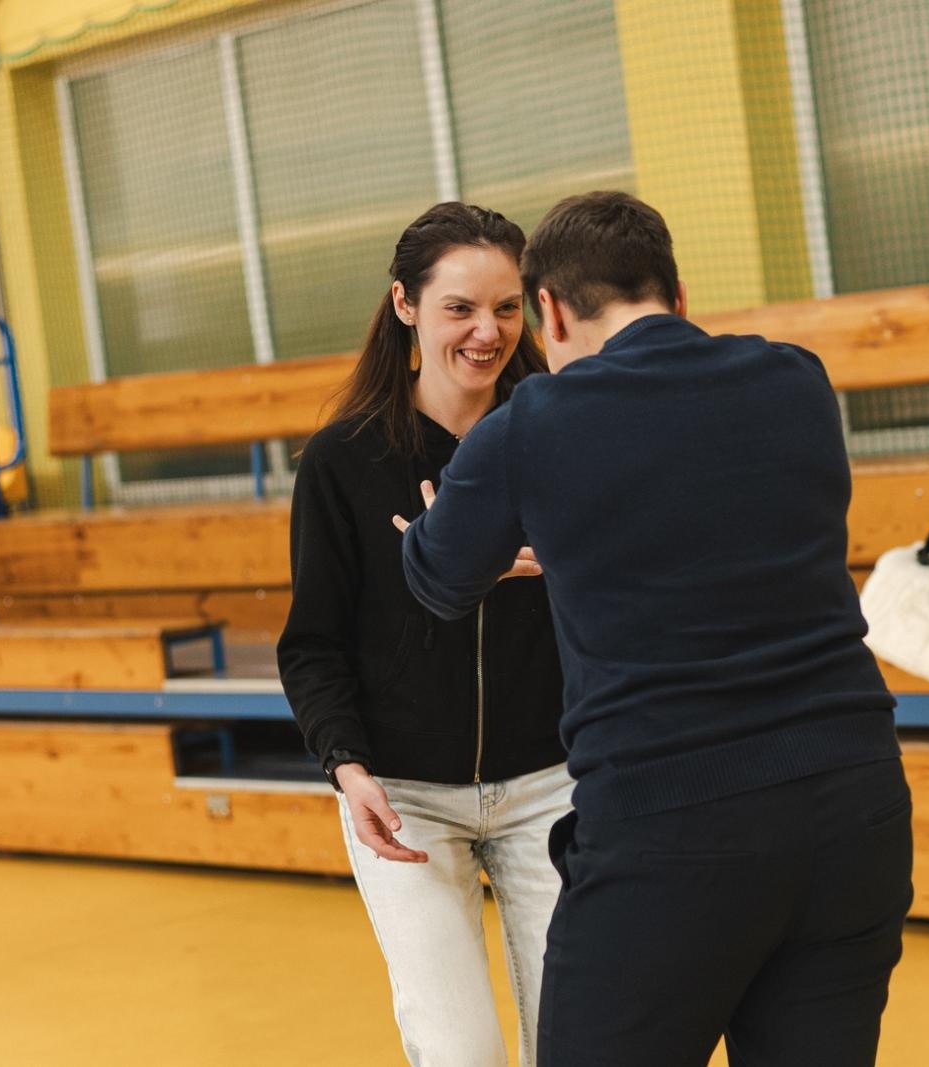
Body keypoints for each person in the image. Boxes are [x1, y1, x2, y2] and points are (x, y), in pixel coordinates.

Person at [399, 191, 913, 1066]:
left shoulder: (530, 426)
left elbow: (438, 581)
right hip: (854, 808)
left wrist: (449, 525)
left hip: (672, 827)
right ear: (677, 294)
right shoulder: (797, 380)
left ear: (549, 311)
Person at [277, 202, 570, 1066]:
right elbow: (313, 641)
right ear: (405, 304)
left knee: (581, 1038)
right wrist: (347, 765)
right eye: (460, 308)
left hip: (555, 785)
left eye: (509, 308)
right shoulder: (342, 461)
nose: (488, 331)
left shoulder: (558, 436)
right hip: (406, 799)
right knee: (461, 1050)